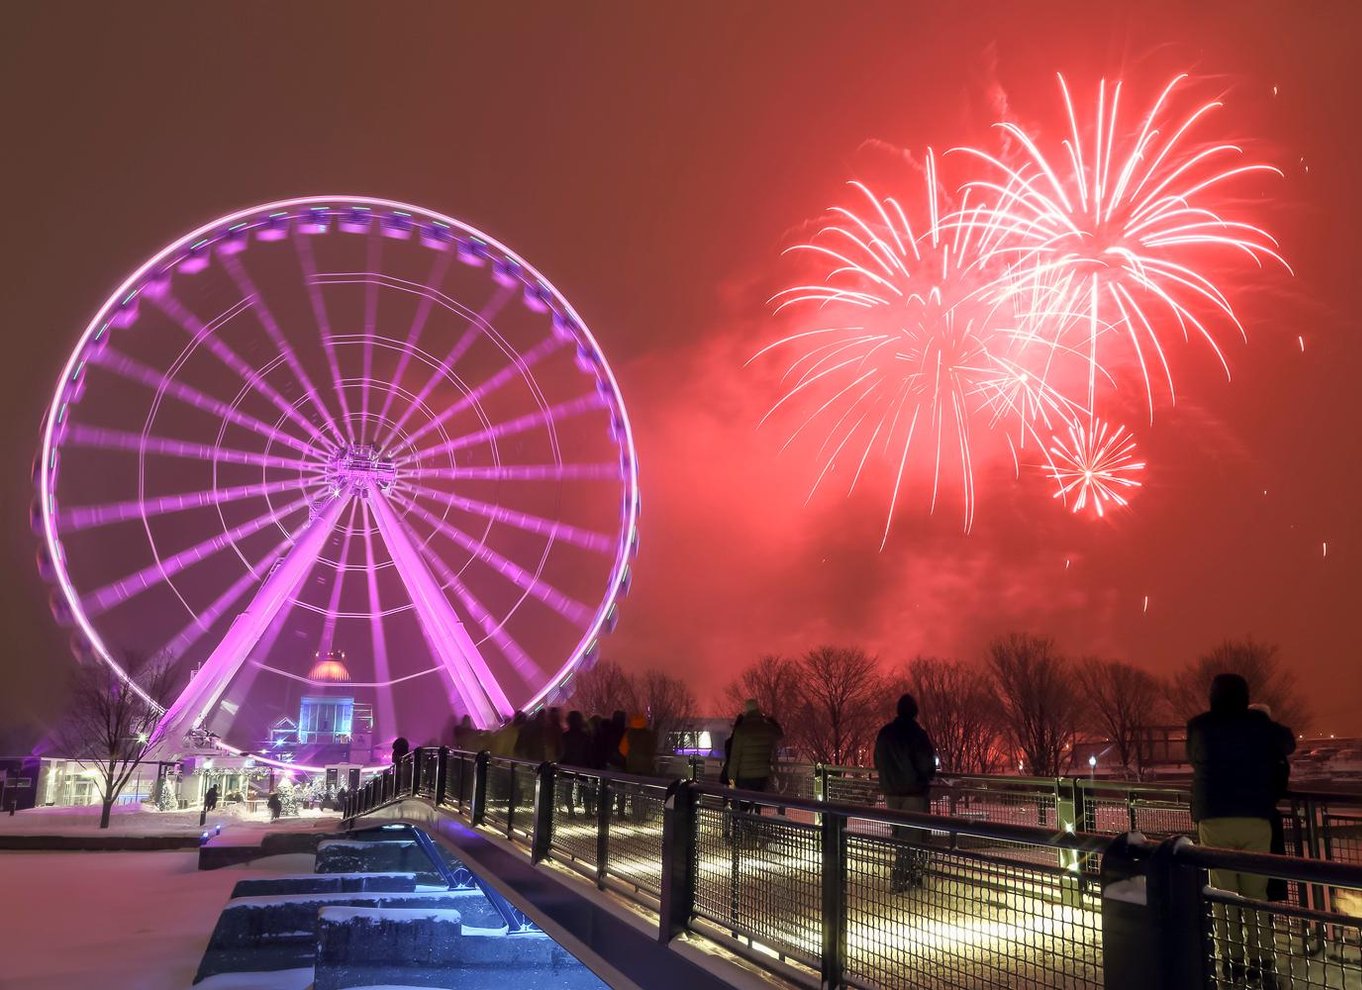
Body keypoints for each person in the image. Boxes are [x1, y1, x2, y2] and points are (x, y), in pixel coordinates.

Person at [1187, 673, 1295, 988]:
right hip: (1255, 817)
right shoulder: (1258, 726)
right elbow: (1287, 742)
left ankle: (1229, 963)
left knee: (1222, 893)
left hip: (1214, 817)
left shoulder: (1199, 726)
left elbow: (1192, 757)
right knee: (1255, 894)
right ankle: (1262, 962)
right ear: (1245, 697)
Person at [873, 693, 937, 892]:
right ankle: (901, 880)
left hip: (891, 791)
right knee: (910, 836)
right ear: (915, 712)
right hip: (913, 792)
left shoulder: (885, 733)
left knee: (900, 834)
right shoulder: (918, 734)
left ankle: (908, 876)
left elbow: (877, 760)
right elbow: (927, 763)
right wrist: (926, 777)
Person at [726, 700, 783, 843]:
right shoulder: (767, 727)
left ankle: (740, 837)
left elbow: (735, 757)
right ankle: (755, 837)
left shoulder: (742, 729)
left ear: (746, 711)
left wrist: (731, 778)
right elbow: (780, 734)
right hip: (762, 775)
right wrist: (770, 719)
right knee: (757, 806)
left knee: (741, 808)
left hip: (744, 776)